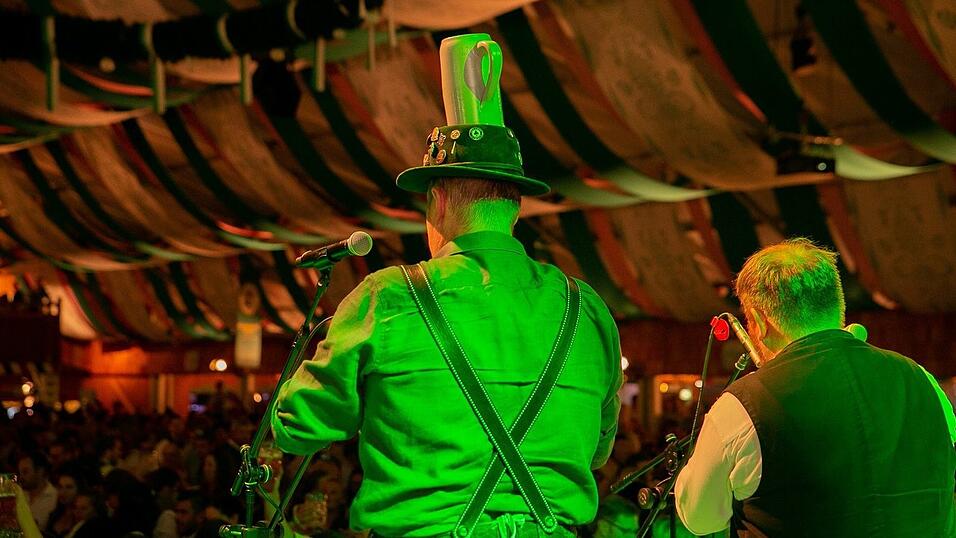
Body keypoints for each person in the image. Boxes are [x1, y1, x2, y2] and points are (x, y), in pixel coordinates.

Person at [272, 33, 621, 538]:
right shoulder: (585, 308)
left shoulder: (387, 297)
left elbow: (298, 426)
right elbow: (598, 448)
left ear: (436, 203)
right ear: (516, 205)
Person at [675, 238, 956, 536]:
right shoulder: (921, 379)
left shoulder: (744, 404)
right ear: (837, 305)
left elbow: (700, 518)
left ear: (758, 321)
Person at [17, 452, 57, 530]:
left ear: (40, 471)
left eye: (25, 472)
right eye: (19, 472)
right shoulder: (19, 494)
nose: (21, 477)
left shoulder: (54, 497)